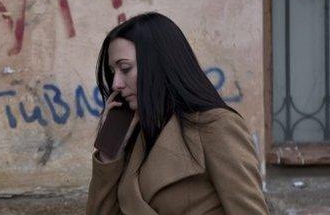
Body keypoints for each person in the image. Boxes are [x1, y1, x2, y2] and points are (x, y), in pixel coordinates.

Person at [87, 12, 269, 215]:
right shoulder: (135, 138)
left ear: (160, 64)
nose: (116, 84)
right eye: (114, 72)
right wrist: (109, 153)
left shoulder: (216, 126)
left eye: (125, 68)